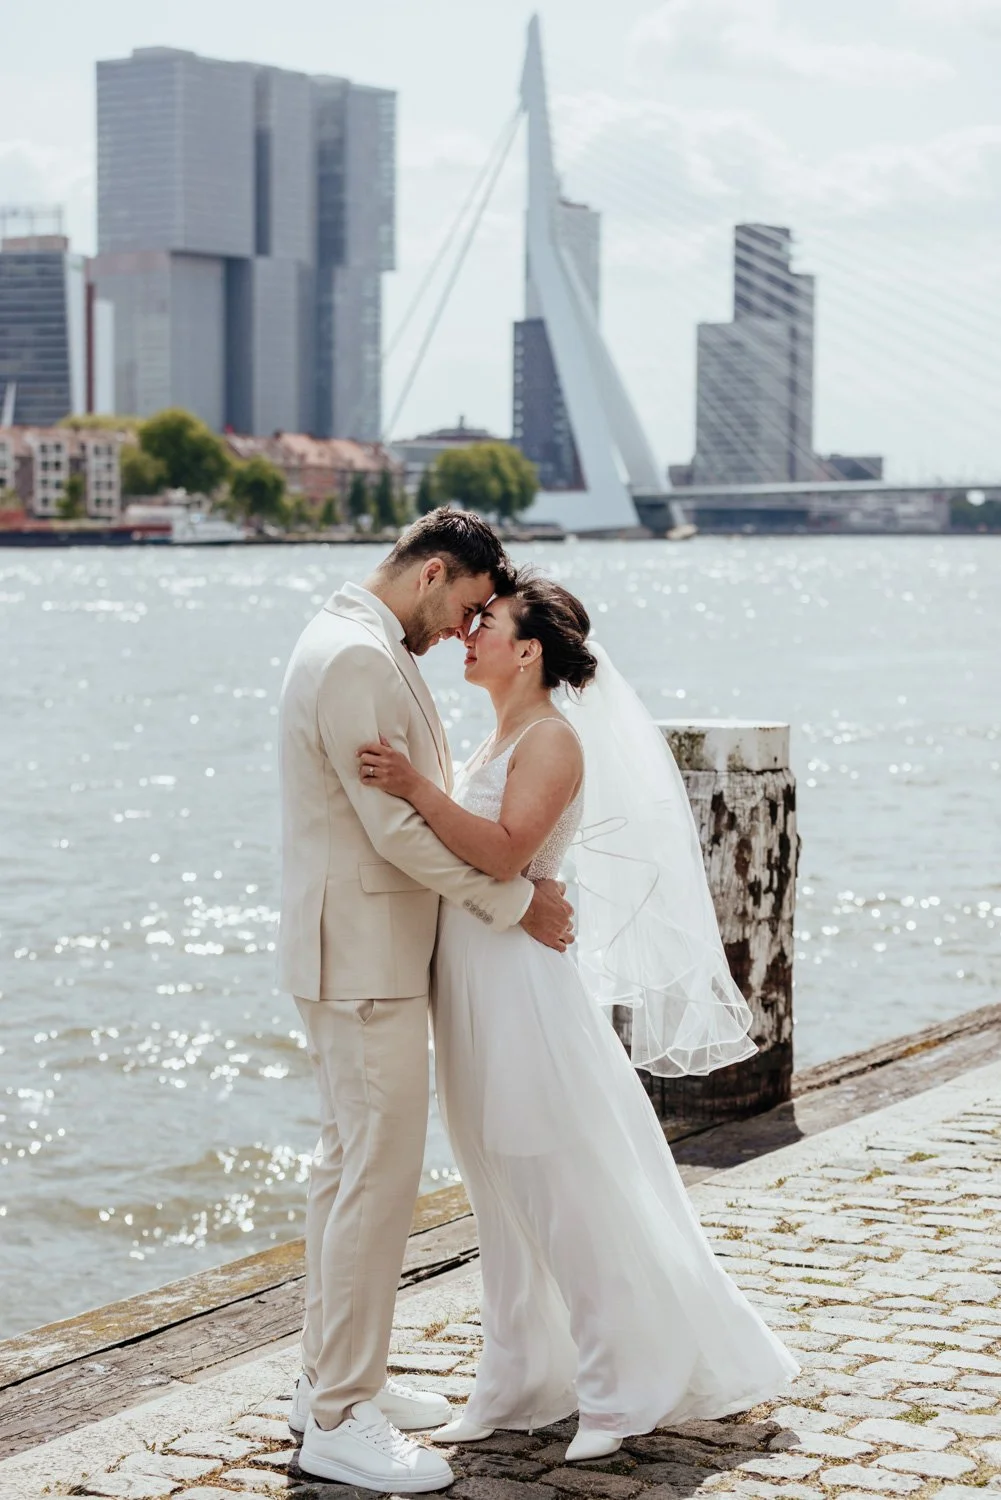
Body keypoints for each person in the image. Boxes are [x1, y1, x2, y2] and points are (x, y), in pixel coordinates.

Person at [357, 569, 799, 1463]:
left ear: (527, 651)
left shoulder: (552, 740)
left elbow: (504, 853)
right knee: (500, 1190)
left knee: (560, 1187)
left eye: (486, 623)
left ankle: (616, 1389)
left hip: (522, 986)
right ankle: (514, 1382)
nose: (468, 634)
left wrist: (412, 786)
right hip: (472, 980)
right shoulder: (495, 737)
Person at [278, 515, 574, 1492]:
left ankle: (327, 1381)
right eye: (464, 608)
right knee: (376, 1183)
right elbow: (394, 830)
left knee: (346, 1175)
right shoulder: (355, 657)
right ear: (433, 572)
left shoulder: (355, 641)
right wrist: (514, 902)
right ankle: (338, 1418)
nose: (460, 631)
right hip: (364, 959)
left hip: (362, 952)